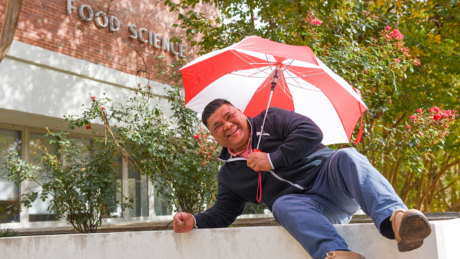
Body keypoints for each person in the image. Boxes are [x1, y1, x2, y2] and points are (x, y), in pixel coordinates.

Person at [173, 99, 431, 259]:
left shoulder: (270, 119)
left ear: (241, 113)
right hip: (308, 210)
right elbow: (223, 213)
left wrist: (272, 159)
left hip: (332, 180)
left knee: (346, 156)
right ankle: (339, 255)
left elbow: (311, 132)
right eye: (217, 126)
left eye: (229, 116)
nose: (226, 125)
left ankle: (397, 221)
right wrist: (194, 220)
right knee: (281, 205)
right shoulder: (229, 173)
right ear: (214, 136)